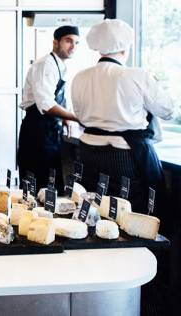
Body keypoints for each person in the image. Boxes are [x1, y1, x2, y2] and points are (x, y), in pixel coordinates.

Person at [71, 19, 175, 212]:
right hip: (124, 153)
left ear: (99, 49)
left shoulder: (80, 77)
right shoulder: (136, 75)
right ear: (125, 49)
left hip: (88, 151)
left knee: (94, 205)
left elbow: (79, 115)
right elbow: (168, 110)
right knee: (131, 208)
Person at [17, 25, 80, 191]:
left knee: (49, 185)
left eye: (76, 43)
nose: (73, 46)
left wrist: (65, 117)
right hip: (36, 131)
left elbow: (56, 97)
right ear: (55, 42)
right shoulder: (46, 64)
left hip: (49, 130)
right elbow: (45, 104)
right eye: (68, 41)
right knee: (38, 185)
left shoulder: (60, 65)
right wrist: (76, 117)